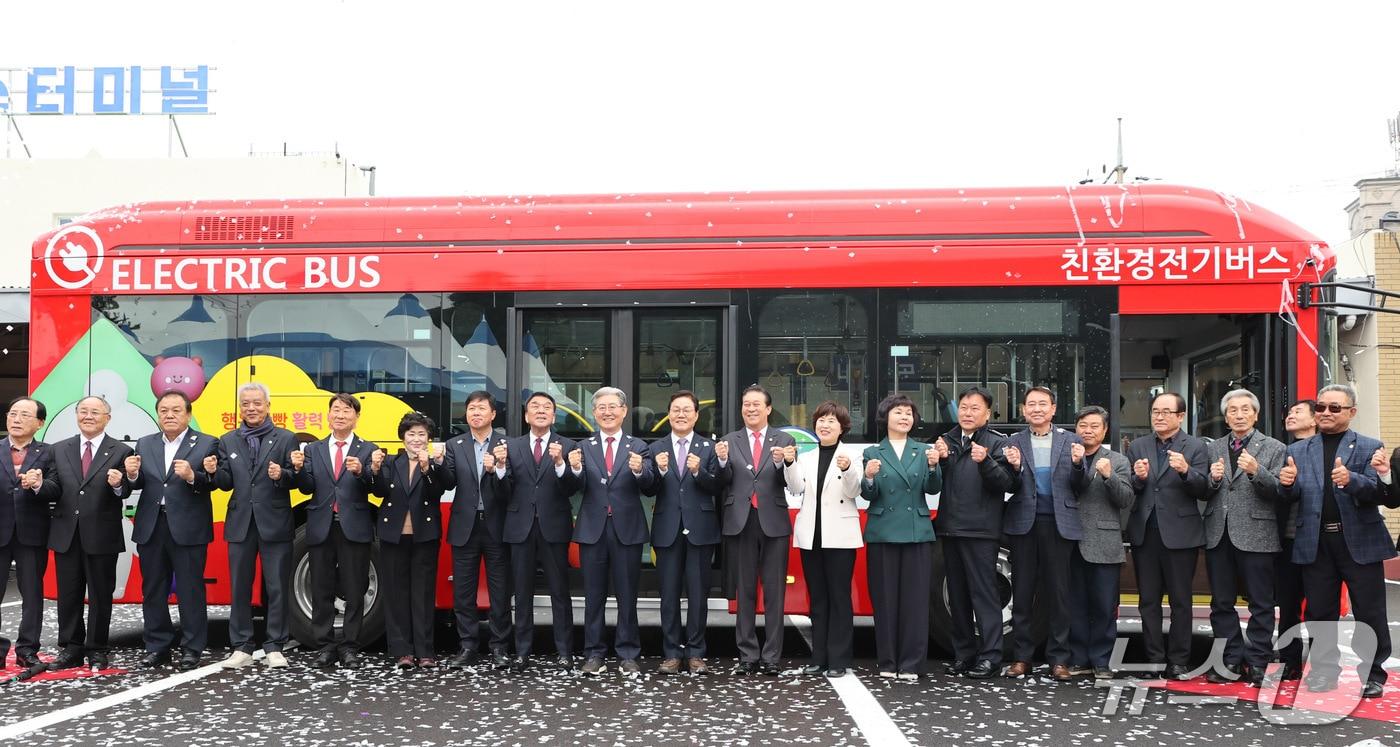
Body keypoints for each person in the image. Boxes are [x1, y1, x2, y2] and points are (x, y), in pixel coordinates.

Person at [1281, 384, 1396, 699]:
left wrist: (1353, 480)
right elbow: (1289, 497)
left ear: (1352, 412)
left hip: (1361, 541)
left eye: (1335, 408)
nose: (1325, 413)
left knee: (1369, 612)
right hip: (1314, 542)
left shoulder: (1369, 446)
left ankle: (1373, 675)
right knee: (1320, 612)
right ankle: (1322, 672)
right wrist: (1286, 484)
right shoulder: (1297, 451)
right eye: (1320, 408)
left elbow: (1383, 494)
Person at [125, 390, 219, 671]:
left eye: (176, 410)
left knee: (191, 590)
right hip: (152, 525)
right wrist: (130, 474)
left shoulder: (206, 443)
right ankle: (157, 647)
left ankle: (191, 649)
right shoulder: (145, 443)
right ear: (158, 414)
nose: (169, 415)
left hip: (188, 527)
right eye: (164, 410)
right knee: (153, 589)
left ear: (188, 414)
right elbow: (139, 482)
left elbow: (215, 482)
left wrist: (194, 477)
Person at [211, 383, 300, 669]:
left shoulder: (286, 438)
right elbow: (225, 483)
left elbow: (297, 479)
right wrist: (213, 473)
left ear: (268, 406)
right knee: (240, 587)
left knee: (276, 586)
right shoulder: (227, 440)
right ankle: (241, 646)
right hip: (240, 523)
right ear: (240, 407)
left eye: (257, 403)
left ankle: (275, 644)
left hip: (275, 521)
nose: (251, 408)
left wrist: (283, 474)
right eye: (246, 403)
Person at [715, 384, 802, 675]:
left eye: (756, 405)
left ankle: (772, 656)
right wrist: (723, 460)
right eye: (746, 404)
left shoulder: (784, 439)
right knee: (745, 590)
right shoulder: (730, 440)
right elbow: (723, 479)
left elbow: (791, 481)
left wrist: (784, 461)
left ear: (767, 409)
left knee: (775, 591)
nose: (750, 409)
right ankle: (747, 655)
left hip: (773, 520)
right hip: (740, 520)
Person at [1001, 386, 1086, 681]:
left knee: (1059, 593)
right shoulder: (1013, 442)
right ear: (1023, 410)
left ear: (1053, 409)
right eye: (1031, 404)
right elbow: (1008, 485)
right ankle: (1021, 657)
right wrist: (1013, 467)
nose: (1037, 409)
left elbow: (1081, 485)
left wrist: (1078, 464)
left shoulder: (1071, 440)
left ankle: (1058, 659)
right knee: (1023, 591)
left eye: (1043, 404)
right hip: (1024, 522)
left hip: (1060, 522)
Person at [1202, 389, 1285, 687]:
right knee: (1221, 602)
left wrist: (1256, 471)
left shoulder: (1274, 447)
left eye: (1245, 410)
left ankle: (1259, 660)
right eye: (1232, 410)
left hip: (1258, 532)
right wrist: (1211, 480)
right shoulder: (1213, 448)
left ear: (1256, 415)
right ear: (1225, 418)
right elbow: (1206, 491)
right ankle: (1230, 659)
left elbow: (1279, 491)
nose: (1239, 414)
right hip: (1218, 533)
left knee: (1261, 603)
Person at [44, 395, 134, 671]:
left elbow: (127, 491)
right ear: (76, 416)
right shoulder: (59, 449)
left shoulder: (120, 451)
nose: (88, 416)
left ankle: (97, 648)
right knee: (68, 594)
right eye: (83, 411)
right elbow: (54, 486)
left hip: (102, 534)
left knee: (100, 594)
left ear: (107, 417)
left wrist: (120, 484)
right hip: (66, 533)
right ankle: (71, 648)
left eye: (95, 412)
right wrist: (38, 486)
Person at [571, 387, 656, 676]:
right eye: (601, 408)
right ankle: (594, 653)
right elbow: (573, 486)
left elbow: (650, 486)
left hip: (627, 530)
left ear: (623, 411)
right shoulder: (582, 447)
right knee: (593, 596)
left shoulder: (639, 446)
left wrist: (639, 470)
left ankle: (628, 652)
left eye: (612, 407)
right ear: (594, 413)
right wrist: (572, 469)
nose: (607, 412)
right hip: (592, 530)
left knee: (627, 595)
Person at [1125, 392, 1208, 680]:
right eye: (1155, 412)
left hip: (1181, 534)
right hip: (1145, 532)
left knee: (1181, 601)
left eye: (1165, 412)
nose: (1159, 416)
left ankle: (1179, 660)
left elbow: (1205, 489)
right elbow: (1129, 489)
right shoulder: (1137, 446)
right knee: (1148, 600)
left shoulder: (1196, 447)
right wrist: (1137, 478)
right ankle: (1153, 658)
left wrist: (1186, 471)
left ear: (1181, 416)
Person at [934, 386, 1015, 679]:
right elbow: (934, 482)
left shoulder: (996, 444)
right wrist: (938, 460)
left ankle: (991, 657)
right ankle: (964, 655)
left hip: (982, 530)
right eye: (964, 407)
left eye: (975, 408)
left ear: (987, 414)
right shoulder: (947, 440)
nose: (968, 413)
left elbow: (1006, 483)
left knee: (984, 594)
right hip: (950, 528)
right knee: (957, 597)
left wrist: (987, 463)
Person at [294, 393, 380, 669]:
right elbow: (307, 487)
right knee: (321, 588)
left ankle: (350, 646)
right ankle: (325, 645)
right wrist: (298, 470)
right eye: (336, 410)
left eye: (347, 411)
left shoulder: (368, 449)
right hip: (320, 525)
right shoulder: (314, 449)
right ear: (328, 416)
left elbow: (377, 489)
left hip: (354, 526)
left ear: (356, 418)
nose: (341, 415)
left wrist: (364, 473)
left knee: (355, 589)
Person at [860, 395, 940, 680]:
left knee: (915, 602)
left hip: (916, 532)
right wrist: (867, 478)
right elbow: (868, 494)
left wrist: (933, 467)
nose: (905, 417)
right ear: (886, 417)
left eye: (909, 413)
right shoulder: (873, 452)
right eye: (898, 412)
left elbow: (933, 489)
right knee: (885, 599)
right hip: (883, 532)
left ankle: (911, 663)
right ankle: (888, 661)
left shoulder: (924, 450)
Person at [500, 392, 580, 672]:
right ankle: (522, 652)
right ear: (526, 416)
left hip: (554, 527)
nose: (541, 411)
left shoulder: (568, 445)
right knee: (522, 593)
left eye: (547, 407)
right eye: (535, 406)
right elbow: (504, 488)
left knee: (560, 592)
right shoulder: (511, 446)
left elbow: (573, 487)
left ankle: (565, 652)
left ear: (554, 416)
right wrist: (498, 467)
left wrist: (560, 464)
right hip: (520, 527)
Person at [646, 390, 722, 676]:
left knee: (698, 595)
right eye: (675, 409)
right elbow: (648, 488)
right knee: (668, 595)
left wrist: (699, 472)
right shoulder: (655, 448)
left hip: (700, 530)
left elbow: (717, 485)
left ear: (696, 415)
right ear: (668, 414)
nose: (681, 414)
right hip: (667, 529)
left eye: (686, 410)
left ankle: (697, 653)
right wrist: (661, 471)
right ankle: (670, 653)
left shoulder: (708, 447)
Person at [439, 391, 512, 669]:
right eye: (471, 408)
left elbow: (511, 489)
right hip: (465, 526)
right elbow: (447, 482)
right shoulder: (454, 445)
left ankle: (499, 647)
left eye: (482, 408)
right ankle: (467, 646)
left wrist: (500, 468)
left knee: (500, 590)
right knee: (464, 591)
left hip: (497, 525)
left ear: (493, 414)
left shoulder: (508, 445)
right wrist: (435, 465)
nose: (476, 413)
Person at [791, 401, 864, 679]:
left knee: (839, 598)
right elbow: (795, 487)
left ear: (842, 427)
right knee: (818, 599)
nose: (825, 424)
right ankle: (818, 657)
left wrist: (847, 469)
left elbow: (855, 490)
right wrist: (789, 463)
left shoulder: (851, 455)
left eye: (832, 420)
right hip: (811, 536)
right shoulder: (807, 456)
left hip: (841, 538)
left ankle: (839, 659)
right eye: (821, 420)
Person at [368, 412, 441, 668]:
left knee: (422, 594)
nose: (416, 439)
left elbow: (437, 490)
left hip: (424, 535)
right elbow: (377, 491)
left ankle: (426, 652)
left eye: (422, 434)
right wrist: (375, 470)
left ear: (429, 438)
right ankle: (403, 652)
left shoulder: (434, 462)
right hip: (393, 535)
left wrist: (427, 468)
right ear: (403, 437)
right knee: (396, 593)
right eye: (411, 434)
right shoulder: (391, 462)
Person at [1066, 406, 1134, 680]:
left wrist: (1109, 476)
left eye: (1095, 426)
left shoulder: (1117, 460)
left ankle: (1102, 660)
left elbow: (1126, 499)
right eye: (1083, 425)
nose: (1088, 430)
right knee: (1075, 604)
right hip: (1070, 539)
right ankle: (1078, 658)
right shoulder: (1068, 456)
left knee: (1104, 606)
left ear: (1105, 430)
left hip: (1104, 541)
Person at [0, 397, 57, 670]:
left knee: (32, 594)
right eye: (12, 414)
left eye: (24, 415)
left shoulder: (49, 453)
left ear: (39, 422)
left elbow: (57, 488)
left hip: (32, 533)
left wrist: (38, 485)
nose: (16, 419)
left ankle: (27, 649)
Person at [1275, 398, 1316, 680]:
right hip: (1287, 539)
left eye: (1297, 412)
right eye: (1288, 413)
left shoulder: (1327, 450)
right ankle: (1290, 661)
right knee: (1288, 604)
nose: (1290, 416)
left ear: (1314, 420)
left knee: (1318, 606)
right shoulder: (1283, 451)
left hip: (1317, 539)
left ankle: (1318, 662)